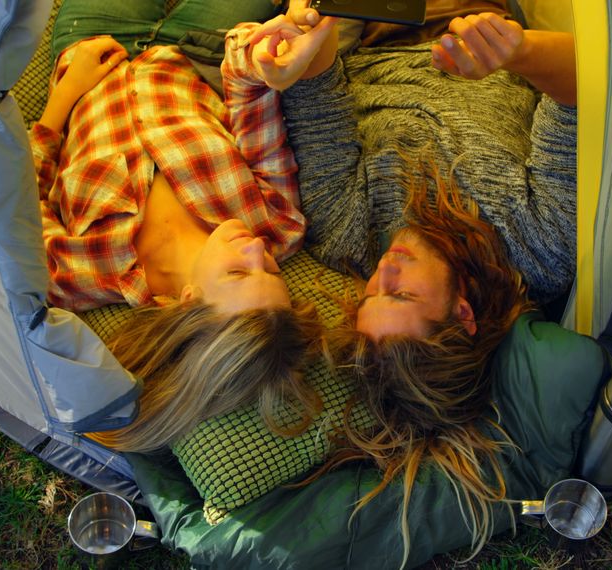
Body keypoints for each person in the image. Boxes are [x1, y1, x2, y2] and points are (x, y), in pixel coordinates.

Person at [230, 1, 577, 563]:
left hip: (370, 27)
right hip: (477, 16)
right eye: (401, 291)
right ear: (463, 314)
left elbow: (319, 93)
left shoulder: (347, 238)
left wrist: (305, 45)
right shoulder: (538, 246)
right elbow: (589, 88)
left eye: (371, 292)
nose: (383, 267)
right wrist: (517, 51)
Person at [31, 0, 324, 449]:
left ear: (184, 301)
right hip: (198, 50)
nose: (255, 250)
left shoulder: (74, 276)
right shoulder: (279, 224)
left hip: (90, 50)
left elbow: (14, 192)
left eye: (239, 272)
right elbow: (250, 94)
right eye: (272, 270)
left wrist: (62, 100)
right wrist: (263, 54)